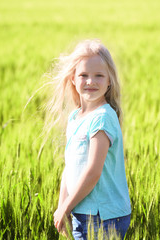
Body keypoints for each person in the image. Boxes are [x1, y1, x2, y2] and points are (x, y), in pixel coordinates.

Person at [49, 39, 131, 239]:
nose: (91, 81)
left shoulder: (102, 118)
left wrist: (66, 207)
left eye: (99, 76)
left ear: (109, 80)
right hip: (83, 212)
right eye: (84, 75)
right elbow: (69, 168)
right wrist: (63, 207)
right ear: (73, 80)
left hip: (104, 216)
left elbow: (93, 172)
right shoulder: (75, 118)